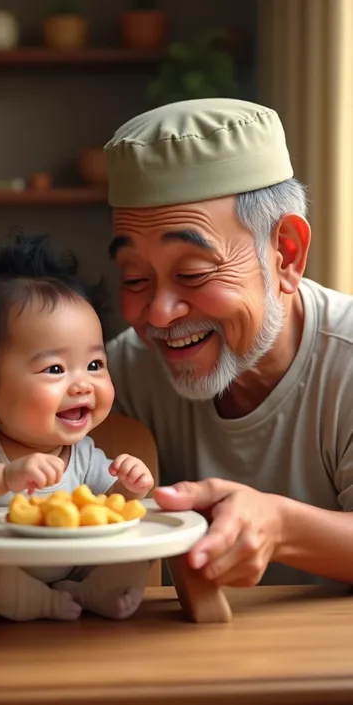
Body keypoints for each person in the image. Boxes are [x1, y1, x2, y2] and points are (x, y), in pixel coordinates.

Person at [104, 97, 353, 589]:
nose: (158, 313)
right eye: (135, 278)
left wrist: (280, 528)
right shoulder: (124, 375)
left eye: (192, 273)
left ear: (286, 253)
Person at [0, 232, 153, 622]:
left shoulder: (85, 454)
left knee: (136, 554)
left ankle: (91, 592)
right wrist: (5, 477)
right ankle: (40, 603)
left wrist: (130, 486)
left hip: (77, 565)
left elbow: (113, 509)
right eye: (54, 369)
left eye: (94, 365)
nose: (82, 384)